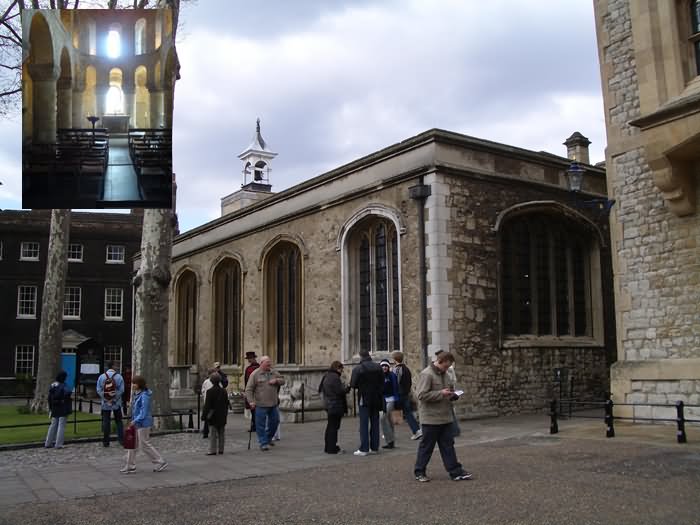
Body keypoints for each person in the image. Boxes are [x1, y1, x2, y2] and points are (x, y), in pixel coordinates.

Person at [413, 351, 472, 482]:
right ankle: (419, 472)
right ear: (440, 361)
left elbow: (448, 392)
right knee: (426, 447)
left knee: (448, 446)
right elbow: (421, 396)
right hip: (431, 419)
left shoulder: (446, 375)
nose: (447, 369)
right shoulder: (426, 374)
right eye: (446, 366)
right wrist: (440, 393)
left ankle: (455, 472)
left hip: (445, 417)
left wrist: (453, 395)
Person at [120, 375, 168, 474]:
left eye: (134, 383)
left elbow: (144, 412)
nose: (132, 385)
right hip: (138, 422)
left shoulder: (144, 395)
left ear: (139, 384)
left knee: (144, 444)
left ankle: (160, 461)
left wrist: (135, 420)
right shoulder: (137, 394)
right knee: (132, 444)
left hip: (143, 423)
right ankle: (130, 465)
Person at [244, 356, 285, 451]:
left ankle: (268, 438)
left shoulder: (273, 372)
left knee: (275, 422)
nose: (269, 365)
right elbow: (248, 389)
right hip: (260, 404)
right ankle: (263, 443)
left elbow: (283, 380)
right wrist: (251, 401)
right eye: (267, 364)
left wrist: (276, 380)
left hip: (273, 403)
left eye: (270, 363)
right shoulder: (255, 374)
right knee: (260, 425)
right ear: (262, 363)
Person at [349, 349, 384, 456]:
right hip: (376, 398)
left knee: (364, 424)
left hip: (364, 398)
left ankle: (364, 448)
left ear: (360, 357)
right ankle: (374, 447)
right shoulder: (378, 367)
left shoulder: (358, 368)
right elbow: (382, 382)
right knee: (375, 423)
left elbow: (353, 384)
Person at [319, 360, 350, 454]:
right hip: (335, 404)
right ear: (337, 368)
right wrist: (347, 388)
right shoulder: (335, 377)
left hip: (329, 404)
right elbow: (340, 391)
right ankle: (332, 448)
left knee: (330, 426)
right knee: (334, 427)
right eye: (341, 369)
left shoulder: (326, 376)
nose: (342, 371)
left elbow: (320, 389)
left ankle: (328, 447)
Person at [392, 351, 422, 440]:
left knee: (389, 412)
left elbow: (395, 382)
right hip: (405, 393)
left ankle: (389, 433)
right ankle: (416, 430)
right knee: (408, 413)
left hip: (399, 394)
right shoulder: (406, 369)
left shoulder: (397, 369)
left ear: (394, 359)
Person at [96, 361, 125, 447]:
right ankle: (121, 439)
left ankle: (106, 441)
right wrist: (114, 399)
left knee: (106, 422)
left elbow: (98, 390)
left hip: (105, 403)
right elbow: (122, 390)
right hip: (116, 402)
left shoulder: (101, 377)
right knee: (119, 421)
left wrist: (106, 399)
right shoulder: (119, 377)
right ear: (113, 366)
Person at [202, 372, 230, 455]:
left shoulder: (210, 391)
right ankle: (221, 449)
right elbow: (226, 403)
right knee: (221, 433)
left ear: (211, 381)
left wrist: (204, 416)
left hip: (213, 415)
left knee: (213, 434)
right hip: (222, 414)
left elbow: (207, 405)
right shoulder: (224, 391)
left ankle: (212, 450)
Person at [434, 349, 460, 437]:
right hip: (444, 392)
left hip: (448, 390)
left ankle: (455, 430)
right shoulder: (431, 371)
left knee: (451, 411)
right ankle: (454, 430)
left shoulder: (448, 368)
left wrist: (452, 391)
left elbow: (453, 379)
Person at [45, 371, 72, 449]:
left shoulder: (53, 385)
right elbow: (68, 393)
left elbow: (50, 398)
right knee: (61, 426)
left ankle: (48, 442)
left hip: (54, 407)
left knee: (53, 425)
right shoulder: (64, 386)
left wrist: (50, 407)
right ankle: (58, 444)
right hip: (63, 407)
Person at [379, 359, 400, 449]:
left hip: (391, 399)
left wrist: (397, 399)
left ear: (388, 367)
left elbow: (395, 387)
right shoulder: (379, 376)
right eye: (382, 366)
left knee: (383, 418)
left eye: (386, 366)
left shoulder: (392, 375)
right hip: (383, 400)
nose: (384, 367)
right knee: (388, 420)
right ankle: (390, 442)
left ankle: (390, 440)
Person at [243, 352, 260, 431]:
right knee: (254, 410)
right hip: (254, 391)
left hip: (254, 392)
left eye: (249, 359)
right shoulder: (257, 367)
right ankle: (254, 426)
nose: (249, 360)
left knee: (254, 410)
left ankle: (255, 426)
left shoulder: (251, 369)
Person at [200, 367, 216, 439]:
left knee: (208, 418)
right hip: (212, 402)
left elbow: (203, 391)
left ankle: (206, 433)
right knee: (212, 418)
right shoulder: (208, 381)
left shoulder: (206, 382)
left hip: (207, 402)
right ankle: (209, 433)